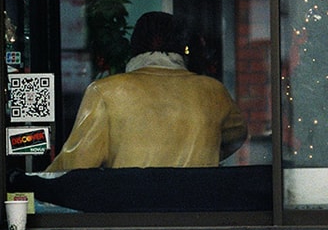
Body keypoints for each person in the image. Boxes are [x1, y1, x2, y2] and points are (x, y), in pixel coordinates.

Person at [47, 11, 247, 170]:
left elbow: (76, 164)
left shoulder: (105, 92)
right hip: (198, 213)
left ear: (133, 47)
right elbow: (236, 135)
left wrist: (34, 184)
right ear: (182, 48)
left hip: (130, 214)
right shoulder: (213, 92)